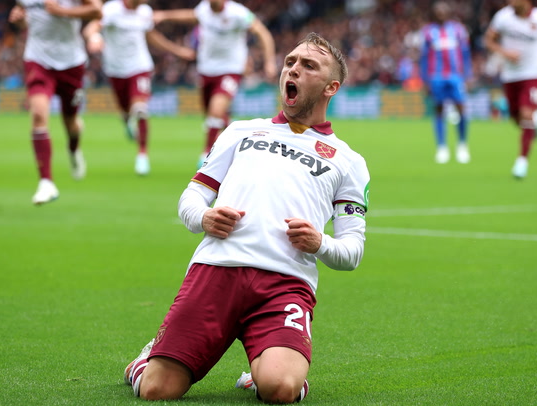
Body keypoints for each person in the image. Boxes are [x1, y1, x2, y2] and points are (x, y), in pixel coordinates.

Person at [122, 32, 370, 403]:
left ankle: (266, 371)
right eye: (290, 62)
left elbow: (352, 250)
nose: (294, 69)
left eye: (308, 66)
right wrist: (204, 218)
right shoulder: (240, 131)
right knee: (157, 390)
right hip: (216, 270)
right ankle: (145, 360)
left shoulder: (348, 161)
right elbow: (192, 197)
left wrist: (322, 243)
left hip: (285, 284)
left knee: (281, 388)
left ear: (330, 87)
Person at [153, 0, 277, 168]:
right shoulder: (204, 9)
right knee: (211, 116)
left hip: (230, 69)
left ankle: (206, 154)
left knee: (215, 110)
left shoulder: (238, 13)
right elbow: (191, 16)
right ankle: (233, 129)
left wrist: (269, 61)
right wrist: (165, 16)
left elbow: (263, 33)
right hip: (206, 69)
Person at [83, 0, 195, 176]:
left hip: (140, 67)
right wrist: (94, 37)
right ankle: (127, 121)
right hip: (116, 69)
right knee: (126, 112)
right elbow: (91, 28)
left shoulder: (145, 11)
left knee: (140, 109)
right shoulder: (111, 10)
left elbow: (151, 36)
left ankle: (142, 155)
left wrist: (177, 51)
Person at [9, 0, 103, 205]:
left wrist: (62, 10)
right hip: (38, 60)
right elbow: (30, 19)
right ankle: (46, 182)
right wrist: (20, 19)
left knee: (71, 123)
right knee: (38, 114)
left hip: (71, 63)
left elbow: (97, 10)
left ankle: (73, 148)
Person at [484, 0, 537, 179]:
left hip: (533, 74)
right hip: (510, 75)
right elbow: (489, 40)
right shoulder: (502, 17)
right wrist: (504, 52)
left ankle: (522, 161)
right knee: (515, 118)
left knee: (526, 114)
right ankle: (536, 124)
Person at [419, 1, 472, 164]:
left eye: (443, 11)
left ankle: (462, 145)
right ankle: (442, 147)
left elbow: (465, 54)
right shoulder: (428, 32)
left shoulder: (457, 30)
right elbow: (424, 58)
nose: (440, 14)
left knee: (462, 108)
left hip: (455, 76)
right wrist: (425, 79)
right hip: (436, 77)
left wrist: (468, 76)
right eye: (438, 12)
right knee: (439, 110)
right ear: (434, 14)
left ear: (448, 13)